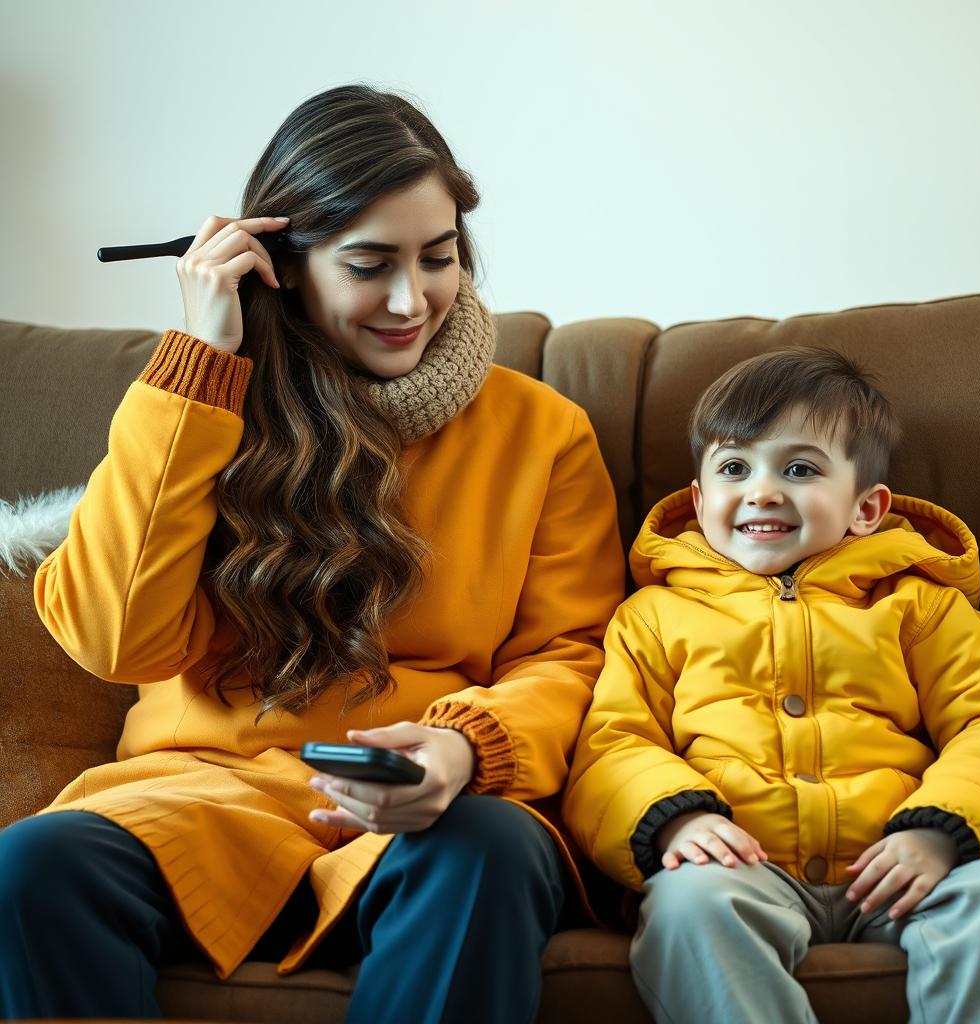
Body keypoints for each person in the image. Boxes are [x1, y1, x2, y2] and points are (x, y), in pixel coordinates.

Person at [0, 85, 624, 1023]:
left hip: (431, 805)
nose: (413, 300)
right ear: (284, 266)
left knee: (491, 851)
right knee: (31, 867)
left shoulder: (544, 433)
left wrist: (468, 748)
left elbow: (570, 655)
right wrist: (198, 363)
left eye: (440, 258)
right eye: (370, 265)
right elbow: (115, 639)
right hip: (203, 792)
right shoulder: (202, 406)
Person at [563, 347, 980, 1023]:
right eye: (733, 469)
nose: (763, 491)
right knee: (687, 906)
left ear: (866, 508)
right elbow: (611, 743)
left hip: (898, 867)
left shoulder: (920, 605)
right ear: (699, 501)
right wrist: (676, 819)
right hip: (741, 872)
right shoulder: (653, 615)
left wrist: (941, 831)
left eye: (800, 469)